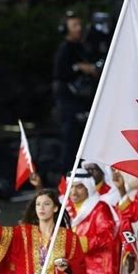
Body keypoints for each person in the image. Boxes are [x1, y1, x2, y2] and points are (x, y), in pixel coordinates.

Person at [53, 11, 97, 172]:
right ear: (64, 29)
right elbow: (59, 73)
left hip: (84, 103)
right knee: (70, 144)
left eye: (79, 25)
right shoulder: (64, 50)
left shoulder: (84, 47)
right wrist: (78, 67)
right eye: (74, 26)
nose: (78, 29)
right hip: (69, 107)